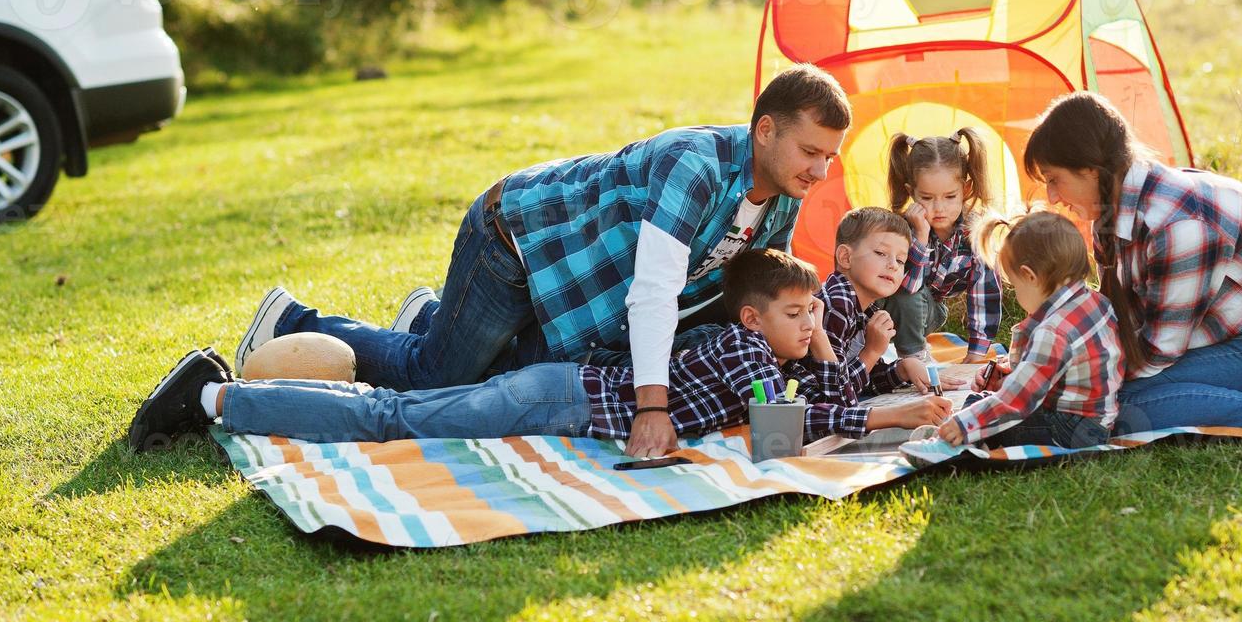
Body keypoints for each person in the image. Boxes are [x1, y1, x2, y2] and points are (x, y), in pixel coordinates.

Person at [232, 64, 853, 458]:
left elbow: (771, 295)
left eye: (829, 158)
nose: (820, 172)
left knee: (487, 375)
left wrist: (827, 354)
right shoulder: (696, 166)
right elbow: (655, 292)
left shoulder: (780, 199)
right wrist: (653, 406)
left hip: (579, 290)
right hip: (520, 241)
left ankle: (434, 317)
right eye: (810, 151)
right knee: (432, 380)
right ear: (765, 130)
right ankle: (290, 322)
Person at [126, 250, 950, 453]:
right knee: (392, 419)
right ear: (749, 319)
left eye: (813, 313)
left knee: (400, 412)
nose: (811, 326)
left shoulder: (764, 358)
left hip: (559, 396)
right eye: (798, 314)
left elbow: (811, 398)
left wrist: (866, 374)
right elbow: (783, 434)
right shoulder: (744, 360)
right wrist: (895, 410)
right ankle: (213, 397)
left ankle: (224, 395)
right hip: (553, 398)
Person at [1024, 92, 1242, 443]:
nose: (1053, 197)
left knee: (1111, 405)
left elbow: (1157, 352)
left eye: (1053, 179)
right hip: (1238, 338)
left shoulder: (1177, 224)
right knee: (1094, 395)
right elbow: (1115, 323)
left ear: (1089, 169)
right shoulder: (1110, 216)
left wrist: (1072, 379)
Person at [930, 210, 1122, 450]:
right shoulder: (1098, 303)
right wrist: (1013, 372)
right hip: (1099, 423)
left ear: (1030, 277)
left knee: (977, 404)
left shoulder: (1052, 331)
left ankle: (952, 442)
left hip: (1066, 430)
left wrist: (964, 423)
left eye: (1015, 286)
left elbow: (1016, 400)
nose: (1018, 297)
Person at [877, 129, 1002, 388]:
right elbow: (906, 287)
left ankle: (913, 354)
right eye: (927, 198)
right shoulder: (904, 228)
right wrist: (921, 238)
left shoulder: (976, 233)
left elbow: (984, 293)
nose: (939, 208)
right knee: (905, 291)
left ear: (965, 189)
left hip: (928, 312)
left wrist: (976, 353)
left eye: (949, 197)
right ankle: (910, 357)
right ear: (911, 192)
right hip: (884, 309)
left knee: (916, 298)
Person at [815, 206, 916, 397]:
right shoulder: (835, 306)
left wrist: (903, 369)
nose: (893, 265)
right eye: (880, 253)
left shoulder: (865, 309)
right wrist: (872, 350)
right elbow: (836, 395)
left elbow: (864, 380)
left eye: (901, 260)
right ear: (846, 257)